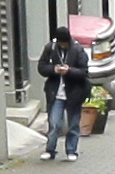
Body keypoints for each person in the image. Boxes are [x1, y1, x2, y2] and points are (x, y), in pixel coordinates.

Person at [34, 24, 90, 160]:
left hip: (74, 93)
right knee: (54, 123)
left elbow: (84, 71)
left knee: (73, 124)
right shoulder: (50, 48)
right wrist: (54, 69)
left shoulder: (78, 50)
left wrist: (69, 71)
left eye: (65, 43)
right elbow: (41, 67)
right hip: (55, 92)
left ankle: (71, 150)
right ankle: (50, 149)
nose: (63, 45)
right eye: (60, 43)